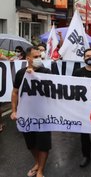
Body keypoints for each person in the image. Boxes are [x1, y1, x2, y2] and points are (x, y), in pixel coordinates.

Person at [10, 46, 52, 177]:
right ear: (28, 58)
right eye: (35, 57)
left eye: (40, 56)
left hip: (43, 114)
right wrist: (13, 111)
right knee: (31, 143)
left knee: (44, 144)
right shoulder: (20, 73)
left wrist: (34, 76)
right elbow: (15, 92)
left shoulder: (47, 71)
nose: (39, 59)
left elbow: (52, 90)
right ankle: (37, 163)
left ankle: (40, 170)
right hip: (26, 114)